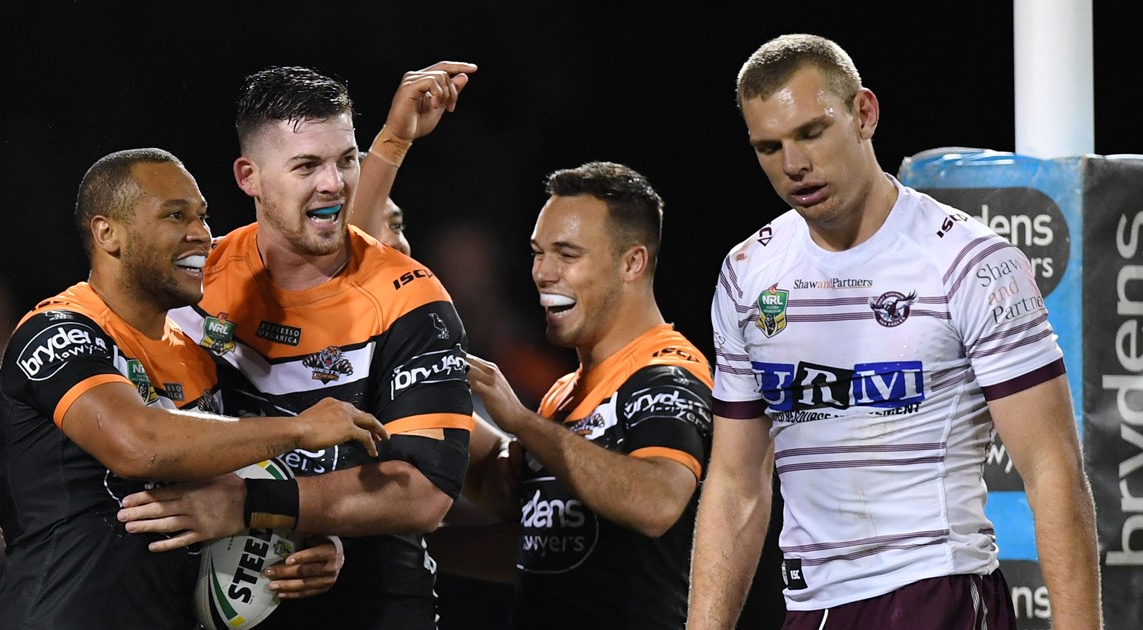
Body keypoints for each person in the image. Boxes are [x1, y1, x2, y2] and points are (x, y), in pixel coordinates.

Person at [0, 62, 479, 629]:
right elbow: (89, 400)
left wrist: (281, 518)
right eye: (305, 167)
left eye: (346, 161)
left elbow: (421, 496)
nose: (331, 183)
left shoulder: (410, 299)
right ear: (251, 180)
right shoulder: (194, 290)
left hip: (361, 602)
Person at [686, 34, 1102, 630]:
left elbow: (1052, 468)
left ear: (864, 114)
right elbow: (736, 483)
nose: (793, 165)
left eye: (810, 132)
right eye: (769, 147)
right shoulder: (748, 273)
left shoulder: (970, 262)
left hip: (937, 598)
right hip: (810, 609)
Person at [446, 162, 712, 629]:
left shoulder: (668, 372)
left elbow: (657, 502)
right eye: (537, 253)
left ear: (632, 262)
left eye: (566, 255)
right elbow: (537, 547)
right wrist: (400, 551)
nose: (543, 272)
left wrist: (523, 422)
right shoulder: (564, 394)